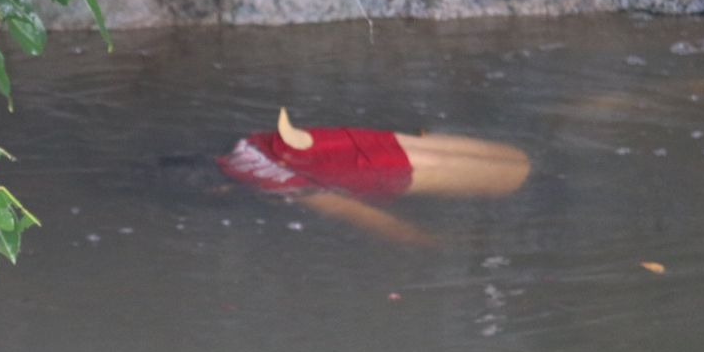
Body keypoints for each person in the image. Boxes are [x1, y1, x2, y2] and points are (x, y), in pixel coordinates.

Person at [217, 109, 530, 243]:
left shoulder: (265, 180)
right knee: (518, 160)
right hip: (390, 141)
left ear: (216, 191)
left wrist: (425, 241)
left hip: (391, 168)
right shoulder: (254, 141)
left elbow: (354, 212)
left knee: (511, 179)